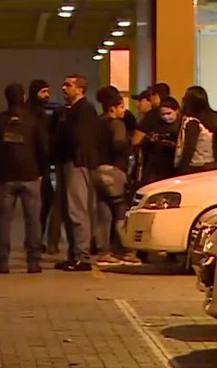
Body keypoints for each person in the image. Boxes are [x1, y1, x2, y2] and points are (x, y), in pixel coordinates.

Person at [0, 82, 48, 274]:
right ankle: (33, 262)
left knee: (3, 220)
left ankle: (1, 262)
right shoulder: (34, 120)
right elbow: (43, 147)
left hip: (5, 178)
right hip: (31, 176)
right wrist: (42, 171)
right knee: (33, 220)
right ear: (24, 97)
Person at [53, 74, 99, 272]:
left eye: (68, 85)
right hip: (66, 162)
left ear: (80, 89)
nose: (64, 88)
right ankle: (73, 254)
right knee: (67, 210)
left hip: (78, 163)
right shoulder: (68, 111)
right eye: (63, 84)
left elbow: (81, 137)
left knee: (77, 209)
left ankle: (82, 256)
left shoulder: (85, 110)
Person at [92, 87, 140, 266]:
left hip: (97, 171)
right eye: (121, 107)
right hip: (114, 171)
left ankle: (103, 252)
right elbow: (119, 144)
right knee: (121, 212)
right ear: (113, 108)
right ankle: (128, 251)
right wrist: (129, 147)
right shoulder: (117, 125)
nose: (124, 111)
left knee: (103, 213)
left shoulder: (97, 123)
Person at [175, 86, 217, 175]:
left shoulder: (191, 121)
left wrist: (180, 171)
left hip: (194, 168)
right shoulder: (215, 117)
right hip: (213, 165)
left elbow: (188, 149)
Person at [27, 80, 55, 240]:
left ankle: (34, 237)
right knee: (42, 204)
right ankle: (35, 238)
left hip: (35, 166)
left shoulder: (31, 112)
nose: (47, 96)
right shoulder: (38, 115)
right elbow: (43, 142)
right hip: (38, 167)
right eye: (44, 92)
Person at [138, 96, 180, 185]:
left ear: (177, 111)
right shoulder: (157, 125)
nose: (166, 117)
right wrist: (150, 139)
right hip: (157, 167)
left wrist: (171, 144)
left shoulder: (181, 127)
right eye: (163, 114)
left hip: (173, 168)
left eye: (169, 113)